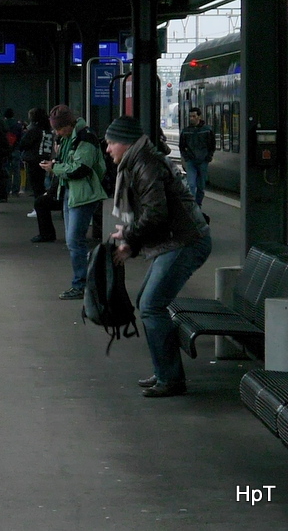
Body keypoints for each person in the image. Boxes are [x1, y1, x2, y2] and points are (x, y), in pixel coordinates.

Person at [104, 114, 212, 398]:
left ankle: (170, 378)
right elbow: (153, 217)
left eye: (111, 143)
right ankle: (165, 372)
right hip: (175, 241)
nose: (107, 149)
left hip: (185, 242)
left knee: (151, 305)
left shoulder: (146, 166)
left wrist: (129, 237)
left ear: (125, 144)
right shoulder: (140, 162)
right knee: (147, 302)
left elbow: (155, 215)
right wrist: (131, 243)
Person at [38, 105, 107, 299]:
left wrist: (55, 168)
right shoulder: (69, 138)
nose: (56, 132)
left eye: (59, 129)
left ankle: (82, 284)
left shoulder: (85, 138)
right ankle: (87, 281)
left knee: (75, 240)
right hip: (72, 192)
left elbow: (80, 168)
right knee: (73, 241)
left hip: (84, 194)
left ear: (69, 124)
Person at [15, 107, 52, 210]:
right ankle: (42, 207)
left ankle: (39, 208)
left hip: (34, 160)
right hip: (45, 158)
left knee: (36, 186)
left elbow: (23, 143)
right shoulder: (48, 130)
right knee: (42, 184)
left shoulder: (34, 130)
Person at [179, 107, 216, 207]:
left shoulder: (207, 130)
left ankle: (198, 204)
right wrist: (186, 158)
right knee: (191, 184)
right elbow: (182, 146)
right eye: (190, 116)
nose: (191, 118)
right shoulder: (186, 131)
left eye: (194, 116)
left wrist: (208, 157)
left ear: (199, 117)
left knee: (201, 187)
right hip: (191, 162)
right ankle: (193, 206)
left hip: (203, 161)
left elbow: (212, 145)